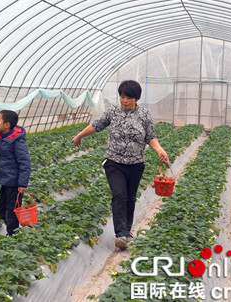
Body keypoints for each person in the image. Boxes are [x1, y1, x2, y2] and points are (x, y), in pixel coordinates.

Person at [72, 80, 168, 250]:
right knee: (119, 194)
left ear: (136, 98)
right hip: (114, 162)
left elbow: (150, 137)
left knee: (130, 197)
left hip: (136, 164)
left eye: (128, 98)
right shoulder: (113, 111)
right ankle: (120, 234)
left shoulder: (144, 115)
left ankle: (127, 230)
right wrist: (80, 135)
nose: (124, 100)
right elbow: (97, 125)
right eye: (122, 97)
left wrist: (159, 149)